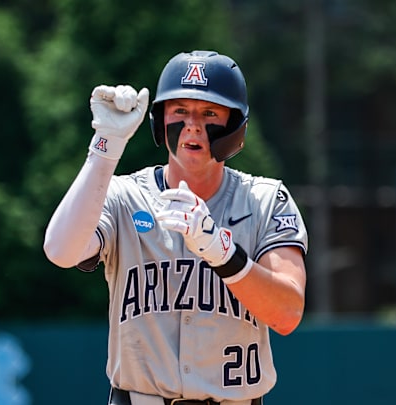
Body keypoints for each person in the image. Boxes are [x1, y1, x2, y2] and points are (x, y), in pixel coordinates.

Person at [44, 50, 308, 405]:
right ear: (160, 120)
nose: (193, 125)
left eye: (210, 112)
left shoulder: (264, 199)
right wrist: (105, 145)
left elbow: (287, 313)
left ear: (235, 126)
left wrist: (223, 253)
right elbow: (61, 251)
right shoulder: (125, 194)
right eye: (180, 110)